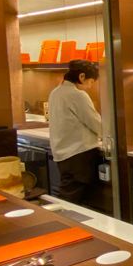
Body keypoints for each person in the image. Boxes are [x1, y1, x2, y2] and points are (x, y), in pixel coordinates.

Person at [48, 59, 102, 203]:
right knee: (73, 199)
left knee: (69, 194)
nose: (90, 86)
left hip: (62, 154)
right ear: (82, 76)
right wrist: (110, 135)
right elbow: (94, 122)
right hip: (79, 154)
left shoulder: (55, 92)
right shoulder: (77, 95)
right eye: (91, 82)